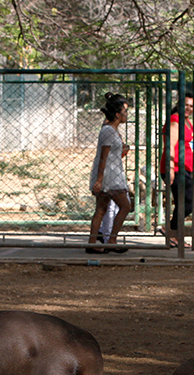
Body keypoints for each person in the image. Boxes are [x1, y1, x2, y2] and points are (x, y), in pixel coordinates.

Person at [86, 92, 133, 254]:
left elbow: (111, 154)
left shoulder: (112, 131)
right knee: (125, 206)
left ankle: (93, 243)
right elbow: (103, 157)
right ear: (118, 114)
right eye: (125, 112)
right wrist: (99, 180)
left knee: (101, 209)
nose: (127, 115)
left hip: (111, 174)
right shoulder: (108, 131)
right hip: (110, 177)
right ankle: (111, 239)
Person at [159, 93, 194, 248]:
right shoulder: (175, 121)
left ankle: (174, 236)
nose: (188, 108)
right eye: (186, 104)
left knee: (184, 203)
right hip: (176, 168)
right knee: (192, 201)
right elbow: (170, 146)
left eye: (191, 106)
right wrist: (170, 169)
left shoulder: (188, 124)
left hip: (186, 168)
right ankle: (170, 230)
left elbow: (191, 149)